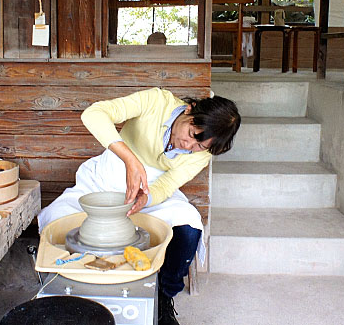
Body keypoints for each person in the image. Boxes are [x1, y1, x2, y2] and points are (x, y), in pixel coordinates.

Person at [38, 87, 240, 325]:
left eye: (199, 146)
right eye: (191, 133)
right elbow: (94, 113)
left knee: (189, 227)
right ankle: (72, 292)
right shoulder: (156, 101)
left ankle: (163, 298)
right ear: (190, 110)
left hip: (150, 189)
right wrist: (129, 159)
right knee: (56, 218)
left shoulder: (201, 154)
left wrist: (146, 198)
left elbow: (167, 185)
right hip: (104, 178)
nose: (188, 145)